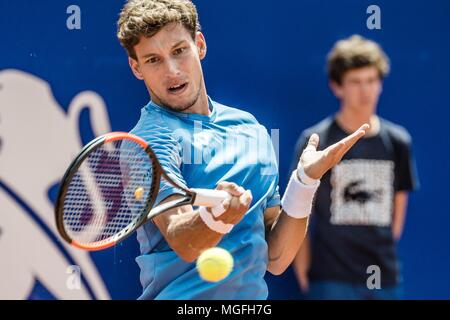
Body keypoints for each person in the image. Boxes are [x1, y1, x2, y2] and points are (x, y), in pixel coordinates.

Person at [117, 0, 368, 299]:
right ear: (136, 68)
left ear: (199, 45)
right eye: (153, 60)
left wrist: (305, 182)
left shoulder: (249, 129)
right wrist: (218, 218)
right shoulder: (149, 142)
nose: (171, 71)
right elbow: (183, 241)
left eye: (179, 51)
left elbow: (275, 258)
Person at [291, 35, 419, 300]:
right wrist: (304, 273)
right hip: (329, 281)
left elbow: (397, 214)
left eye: (372, 81)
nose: (365, 91)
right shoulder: (316, 141)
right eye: (356, 82)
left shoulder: (398, 142)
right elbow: (299, 211)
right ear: (337, 87)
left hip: (386, 279)